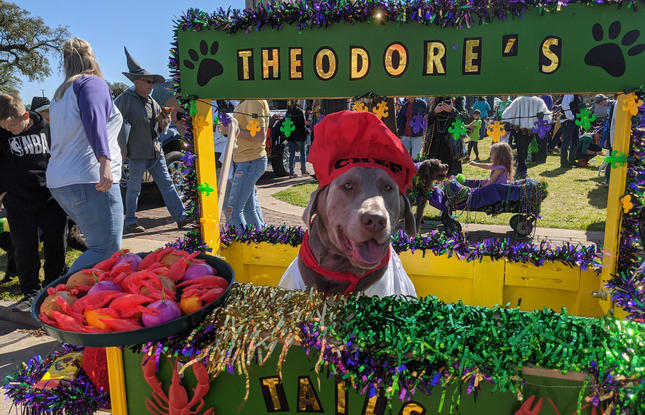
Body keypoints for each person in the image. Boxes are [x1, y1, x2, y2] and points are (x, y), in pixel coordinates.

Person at [47, 37, 124, 275]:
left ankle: (84, 303)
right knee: (105, 250)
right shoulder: (92, 83)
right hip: (91, 178)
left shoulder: (61, 94)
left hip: (63, 180)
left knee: (98, 248)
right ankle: (57, 300)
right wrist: (105, 161)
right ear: (92, 58)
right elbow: (94, 122)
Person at [0, 94, 68, 312]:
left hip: (49, 196)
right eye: (3, 126)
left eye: (12, 125)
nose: (8, 129)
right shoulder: (2, 132)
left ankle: (53, 287)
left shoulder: (48, 127)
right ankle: (30, 293)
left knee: (56, 241)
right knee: (23, 246)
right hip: (18, 199)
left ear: (26, 116)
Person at [115, 48, 188, 233]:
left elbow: (160, 125)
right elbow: (113, 123)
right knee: (134, 189)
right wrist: (121, 148)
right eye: (148, 81)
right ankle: (130, 222)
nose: (151, 85)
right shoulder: (125, 100)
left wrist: (165, 121)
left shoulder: (152, 101)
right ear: (136, 81)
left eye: (153, 82)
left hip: (156, 151)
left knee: (167, 184)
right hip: (136, 153)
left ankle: (181, 216)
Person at [226, 99, 270, 228]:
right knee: (248, 210)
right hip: (247, 161)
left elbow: (259, 136)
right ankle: (258, 242)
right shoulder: (246, 101)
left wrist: (231, 130)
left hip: (250, 161)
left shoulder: (253, 101)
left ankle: (248, 244)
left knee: (233, 210)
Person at [502, 95, 551, 179]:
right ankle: (522, 169)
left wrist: (514, 119)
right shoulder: (538, 101)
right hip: (530, 129)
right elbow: (547, 116)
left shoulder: (518, 101)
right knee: (524, 149)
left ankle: (521, 169)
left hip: (518, 129)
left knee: (521, 149)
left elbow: (505, 115)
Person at [424, 97, 466, 176]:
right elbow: (426, 120)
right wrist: (434, 112)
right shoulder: (433, 100)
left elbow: (463, 117)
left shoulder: (458, 99)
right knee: (434, 172)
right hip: (435, 143)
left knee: (452, 173)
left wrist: (452, 110)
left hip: (452, 142)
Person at [285, 100, 308, 177]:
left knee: (292, 155)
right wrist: (307, 131)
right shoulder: (300, 111)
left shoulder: (287, 112)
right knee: (302, 153)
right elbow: (302, 125)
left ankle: (291, 172)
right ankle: (303, 171)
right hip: (300, 136)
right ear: (297, 101)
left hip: (291, 136)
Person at [560, 94, 583, 169]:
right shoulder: (569, 93)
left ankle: (572, 161)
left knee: (575, 141)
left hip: (575, 121)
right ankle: (564, 162)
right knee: (566, 141)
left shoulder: (578, 95)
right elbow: (564, 105)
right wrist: (571, 117)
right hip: (568, 120)